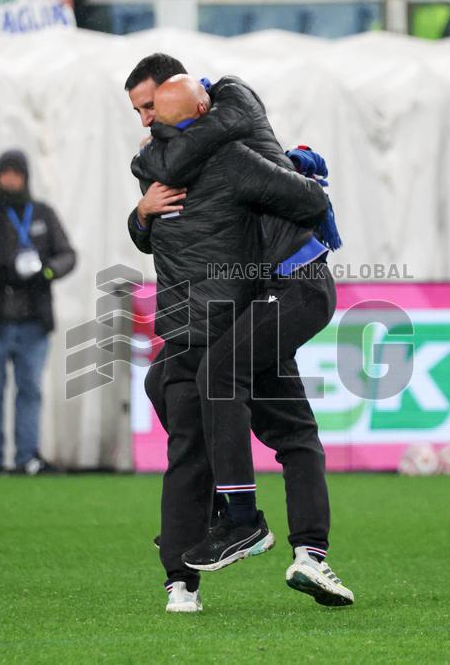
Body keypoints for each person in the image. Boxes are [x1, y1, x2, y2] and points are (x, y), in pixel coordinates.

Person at [125, 58, 353, 611]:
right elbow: (167, 240)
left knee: (210, 388)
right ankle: (305, 556)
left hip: (286, 284)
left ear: (196, 104)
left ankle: (235, 525)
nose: (147, 123)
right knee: (281, 428)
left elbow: (308, 201)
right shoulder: (169, 164)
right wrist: (140, 215)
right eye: (140, 115)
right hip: (240, 306)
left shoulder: (225, 138)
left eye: (152, 110)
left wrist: (303, 179)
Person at [0, 149, 76, 475]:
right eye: (5, 174)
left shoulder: (43, 214)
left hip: (33, 320)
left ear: (25, 178)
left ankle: (27, 457)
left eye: (16, 174)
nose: (10, 180)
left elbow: (68, 255)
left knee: (31, 390)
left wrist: (46, 271)